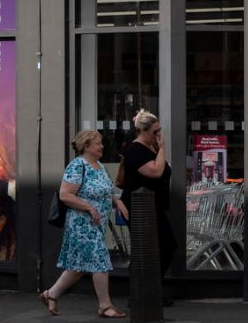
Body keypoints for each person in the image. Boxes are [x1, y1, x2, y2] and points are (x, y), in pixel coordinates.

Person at [40, 130, 128, 318]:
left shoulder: (100, 166)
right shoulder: (77, 166)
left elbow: (105, 192)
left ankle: (51, 294)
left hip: (97, 224)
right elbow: (65, 194)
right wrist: (88, 207)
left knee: (78, 266)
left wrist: (117, 202)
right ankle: (105, 306)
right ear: (87, 146)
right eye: (98, 143)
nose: (102, 146)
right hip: (81, 224)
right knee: (99, 260)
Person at [120, 109, 178, 306]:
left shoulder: (151, 146)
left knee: (167, 246)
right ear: (142, 131)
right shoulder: (136, 150)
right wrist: (162, 149)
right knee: (146, 250)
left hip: (155, 206)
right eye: (155, 131)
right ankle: (139, 294)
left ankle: (150, 290)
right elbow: (155, 171)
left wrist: (158, 148)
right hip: (138, 207)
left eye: (159, 130)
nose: (158, 135)